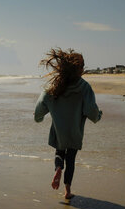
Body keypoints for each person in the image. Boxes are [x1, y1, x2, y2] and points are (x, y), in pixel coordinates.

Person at [34, 48, 102, 199]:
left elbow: (39, 109)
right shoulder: (84, 87)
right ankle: (67, 190)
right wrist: (98, 116)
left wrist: (39, 118)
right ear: (79, 69)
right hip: (75, 132)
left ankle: (58, 168)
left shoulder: (54, 87)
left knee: (59, 153)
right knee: (71, 159)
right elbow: (91, 110)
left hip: (59, 131)